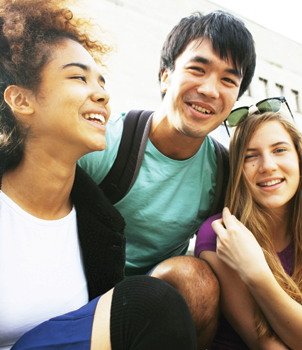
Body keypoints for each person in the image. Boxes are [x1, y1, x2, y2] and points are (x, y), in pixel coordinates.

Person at [0, 0, 197, 349]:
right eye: (78, 77)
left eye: (102, 82)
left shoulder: (102, 224)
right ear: (21, 100)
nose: (102, 94)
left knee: (151, 303)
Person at [78, 11, 256, 348]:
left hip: (152, 302)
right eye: (197, 69)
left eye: (228, 81)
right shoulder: (105, 143)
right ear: (165, 77)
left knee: (198, 280)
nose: (209, 90)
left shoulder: (224, 171)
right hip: (77, 291)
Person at [195, 105, 302, 349]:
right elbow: (265, 343)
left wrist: (255, 271)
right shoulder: (221, 233)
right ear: (238, 170)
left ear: (300, 158)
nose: (267, 166)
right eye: (250, 156)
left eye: (279, 150)